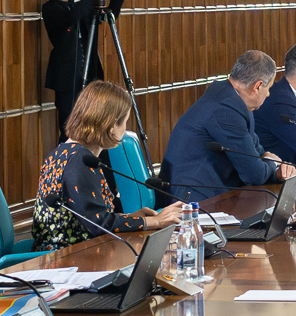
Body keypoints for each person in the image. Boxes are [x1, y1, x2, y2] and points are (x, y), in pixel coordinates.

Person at [32, 81, 184, 255]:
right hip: (67, 257)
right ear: (111, 125)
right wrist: (155, 222)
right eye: (125, 122)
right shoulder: (79, 161)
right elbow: (99, 225)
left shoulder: (65, 152)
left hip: (79, 250)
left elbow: (92, 216)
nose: (125, 129)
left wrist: (133, 217)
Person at [161, 50, 293, 203]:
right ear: (257, 86)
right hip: (190, 200)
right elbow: (253, 174)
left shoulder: (231, 98)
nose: (268, 94)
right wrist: (273, 164)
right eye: (268, 88)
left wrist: (276, 167)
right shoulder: (226, 109)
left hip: (213, 195)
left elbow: (256, 153)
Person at [39, 0, 125, 146]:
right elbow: (71, 18)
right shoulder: (50, 8)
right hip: (67, 78)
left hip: (91, 72)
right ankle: (66, 162)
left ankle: (94, 161)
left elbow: (108, 15)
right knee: (70, 128)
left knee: (96, 126)